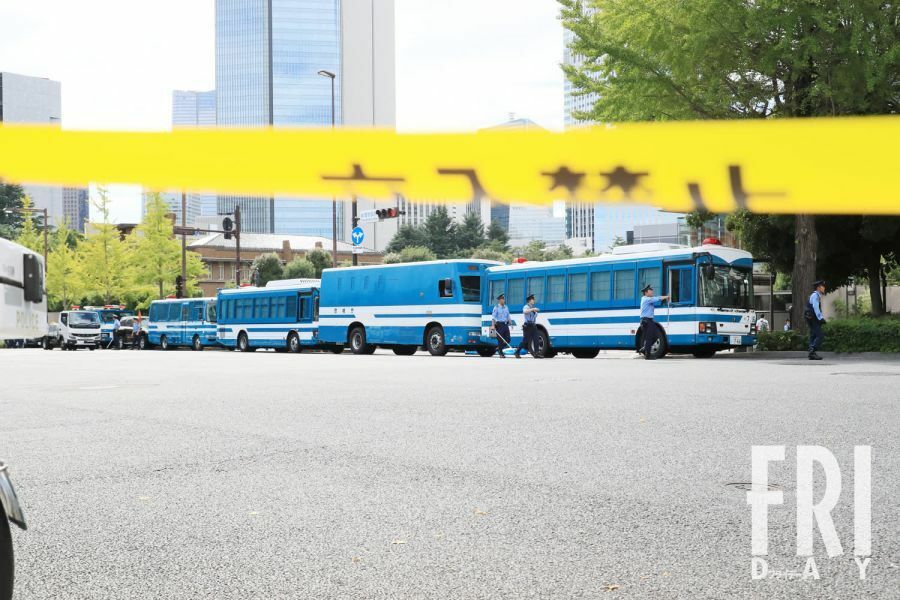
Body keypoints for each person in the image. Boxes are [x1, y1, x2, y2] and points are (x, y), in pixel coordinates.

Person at [640, 284, 669, 360]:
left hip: (649, 320)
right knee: (649, 338)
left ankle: (644, 349)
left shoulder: (648, 299)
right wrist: (666, 297)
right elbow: (657, 298)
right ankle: (648, 355)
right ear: (646, 292)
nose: (652, 292)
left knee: (655, 337)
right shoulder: (646, 299)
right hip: (646, 320)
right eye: (650, 291)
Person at [805, 280, 827, 360]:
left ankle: (811, 354)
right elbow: (815, 307)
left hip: (811, 317)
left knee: (813, 335)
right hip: (813, 318)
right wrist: (820, 318)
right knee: (820, 335)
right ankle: (812, 351)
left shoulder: (816, 295)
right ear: (818, 288)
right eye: (823, 286)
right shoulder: (815, 295)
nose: (824, 288)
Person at [516, 294, 541, 359]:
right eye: (533, 299)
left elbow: (534, 316)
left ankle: (536, 353)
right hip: (528, 325)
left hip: (533, 325)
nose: (534, 301)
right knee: (525, 341)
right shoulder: (526, 307)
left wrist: (535, 310)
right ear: (530, 300)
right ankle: (517, 352)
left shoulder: (533, 308)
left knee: (536, 339)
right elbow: (525, 312)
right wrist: (533, 309)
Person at [490, 294, 511, 358]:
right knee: (500, 340)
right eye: (502, 299)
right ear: (499, 300)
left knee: (508, 339)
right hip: (499, 325)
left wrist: (510, 322)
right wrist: (493, 325)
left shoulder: (506, 307)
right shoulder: (496, 307)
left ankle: (499, 348)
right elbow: (493, 317)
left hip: (505, 325)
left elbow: (508, 316)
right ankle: (501, 353)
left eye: (504, 299)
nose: (503, 300)